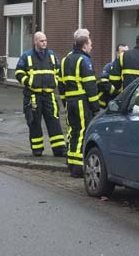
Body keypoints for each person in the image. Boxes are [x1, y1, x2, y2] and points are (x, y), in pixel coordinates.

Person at [14, 32, 66, 158]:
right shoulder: (27, 56)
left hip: (49, 95)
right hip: (33, 96)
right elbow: (19, 73)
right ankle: (37, 150)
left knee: (54, 121)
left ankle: (59, 149)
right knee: (34, 123)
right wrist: (30, 82)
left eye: (45, 40)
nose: (44, 43)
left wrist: (56, 82)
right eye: (42, 40)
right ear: (35, 42)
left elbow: (58, 72)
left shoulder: (52, 55)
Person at [59, 29, 101, 178]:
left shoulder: (64, 60)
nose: (91, 47)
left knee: (73, 131)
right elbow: (90, 86)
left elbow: (61, 84)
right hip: (81, 103)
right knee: (83, 131)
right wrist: (96, 108)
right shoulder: (84, 61)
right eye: (90, 44)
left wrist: (65, 101)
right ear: (84, 46)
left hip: (69, 102)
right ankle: (77, 168)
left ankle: (71, 163)